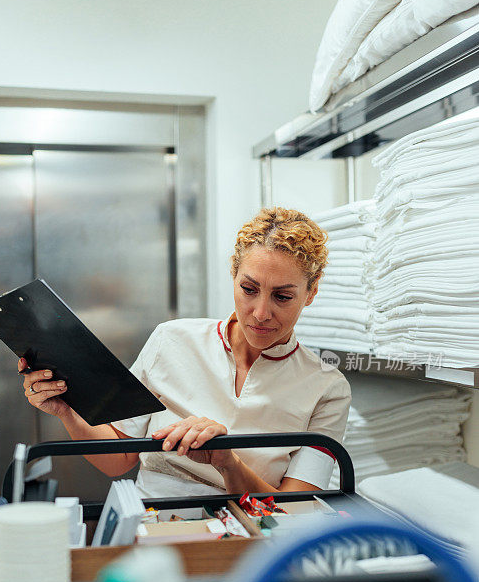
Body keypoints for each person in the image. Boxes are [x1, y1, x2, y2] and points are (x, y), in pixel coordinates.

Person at [18, 207, 351, 499]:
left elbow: (294, 508)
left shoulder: (326, 388)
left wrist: (227, 463)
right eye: (249, 290)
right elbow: (115, 458)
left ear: (311, 292)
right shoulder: (172, 340)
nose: (261, 312)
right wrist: (67, 412)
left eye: (282, 296)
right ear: (232, 275)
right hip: (155, 518)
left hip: (254, 533)